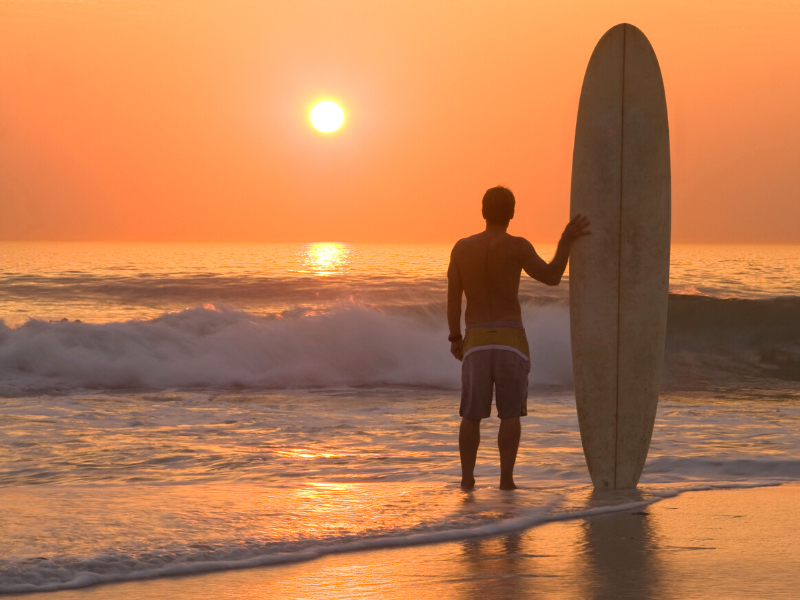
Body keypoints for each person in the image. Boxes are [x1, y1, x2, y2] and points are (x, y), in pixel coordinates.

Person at [447, 186, 590, 490]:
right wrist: (566, 240)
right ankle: (506, 481)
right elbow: (552, 277)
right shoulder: (518, 247)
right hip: (511, 339)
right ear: (512, 214)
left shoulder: (461, 248)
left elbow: (452, 298)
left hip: (476, 341)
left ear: (482, 211)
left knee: (471, 416)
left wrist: (455, 338)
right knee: (510, 414)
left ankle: (467, 480)